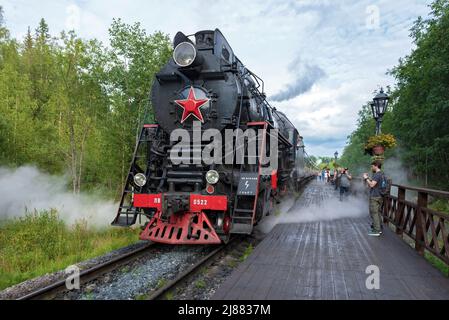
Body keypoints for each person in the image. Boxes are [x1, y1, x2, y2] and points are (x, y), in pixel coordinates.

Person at [363, 160, 384, 237]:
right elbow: (377, 183)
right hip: (380, 196)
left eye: (372, 166)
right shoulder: (382, 174)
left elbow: (372, 185)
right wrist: (368, 178)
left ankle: (376, 230)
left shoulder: (377, 174)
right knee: (378, 212)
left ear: (376, 166)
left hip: (375, 196)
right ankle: (379, 228)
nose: (371, 168)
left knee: (374, 213)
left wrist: (366, 178)